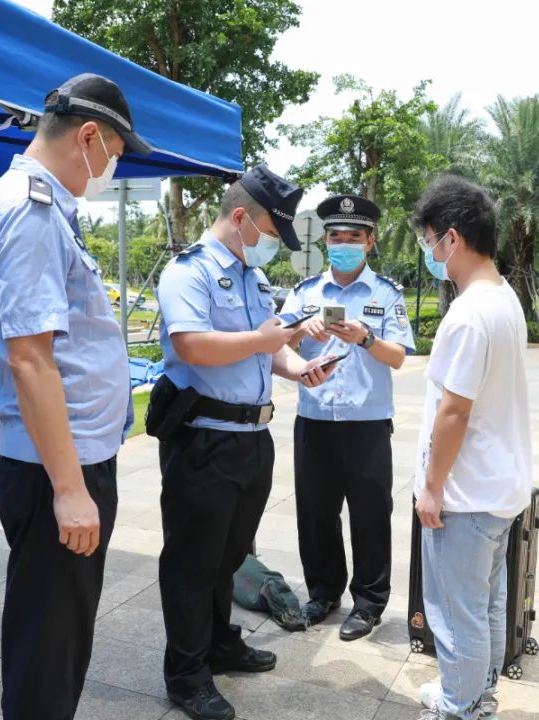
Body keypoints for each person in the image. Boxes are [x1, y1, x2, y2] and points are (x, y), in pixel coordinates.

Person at [0, 73, 151, 720]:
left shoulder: (35, 206)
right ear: (91, 136)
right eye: (117, 156)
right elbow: (30, 358)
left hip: (62, 462)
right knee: (48, 656)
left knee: (56, 644)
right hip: (56, 471)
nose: (112, 170)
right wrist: (71, 489)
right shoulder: (32, 210)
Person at [152, 165, 337, 720]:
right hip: (204, 441)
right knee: (192, 562)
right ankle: (186, 674)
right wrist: (263, 338)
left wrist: (299, 366)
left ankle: (218, 644)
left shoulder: (251, 279)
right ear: (240, 218)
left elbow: (267, 347)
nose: (272, 246)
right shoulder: (190, 272)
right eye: (270, 233)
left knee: (230, 556)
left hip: (253, 439)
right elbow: (192, 346)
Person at [411, 175, 532, 720]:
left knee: (456, 614)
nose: (429, 251)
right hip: (499, 489)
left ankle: (458, 708)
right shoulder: (504, 298)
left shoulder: (467, 316)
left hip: (464, 495)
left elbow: (454, 413)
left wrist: (432, 489)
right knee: (484, 605)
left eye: (429, 239)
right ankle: (476, 695)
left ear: (451, 239)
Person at [279, 194, 415, 640]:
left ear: (369, 242)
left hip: (367, 424)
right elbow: (276, 346)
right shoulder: (305, 293)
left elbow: (398, 357)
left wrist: (365, 337)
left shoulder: (386, 294)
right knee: (316, 512)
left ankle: (370, 602)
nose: (343, 244)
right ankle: (322, 592)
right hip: (315, 421)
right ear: (324, 242)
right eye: (335, 237)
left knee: (370, 514)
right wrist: (302, 329)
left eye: (353, 238)